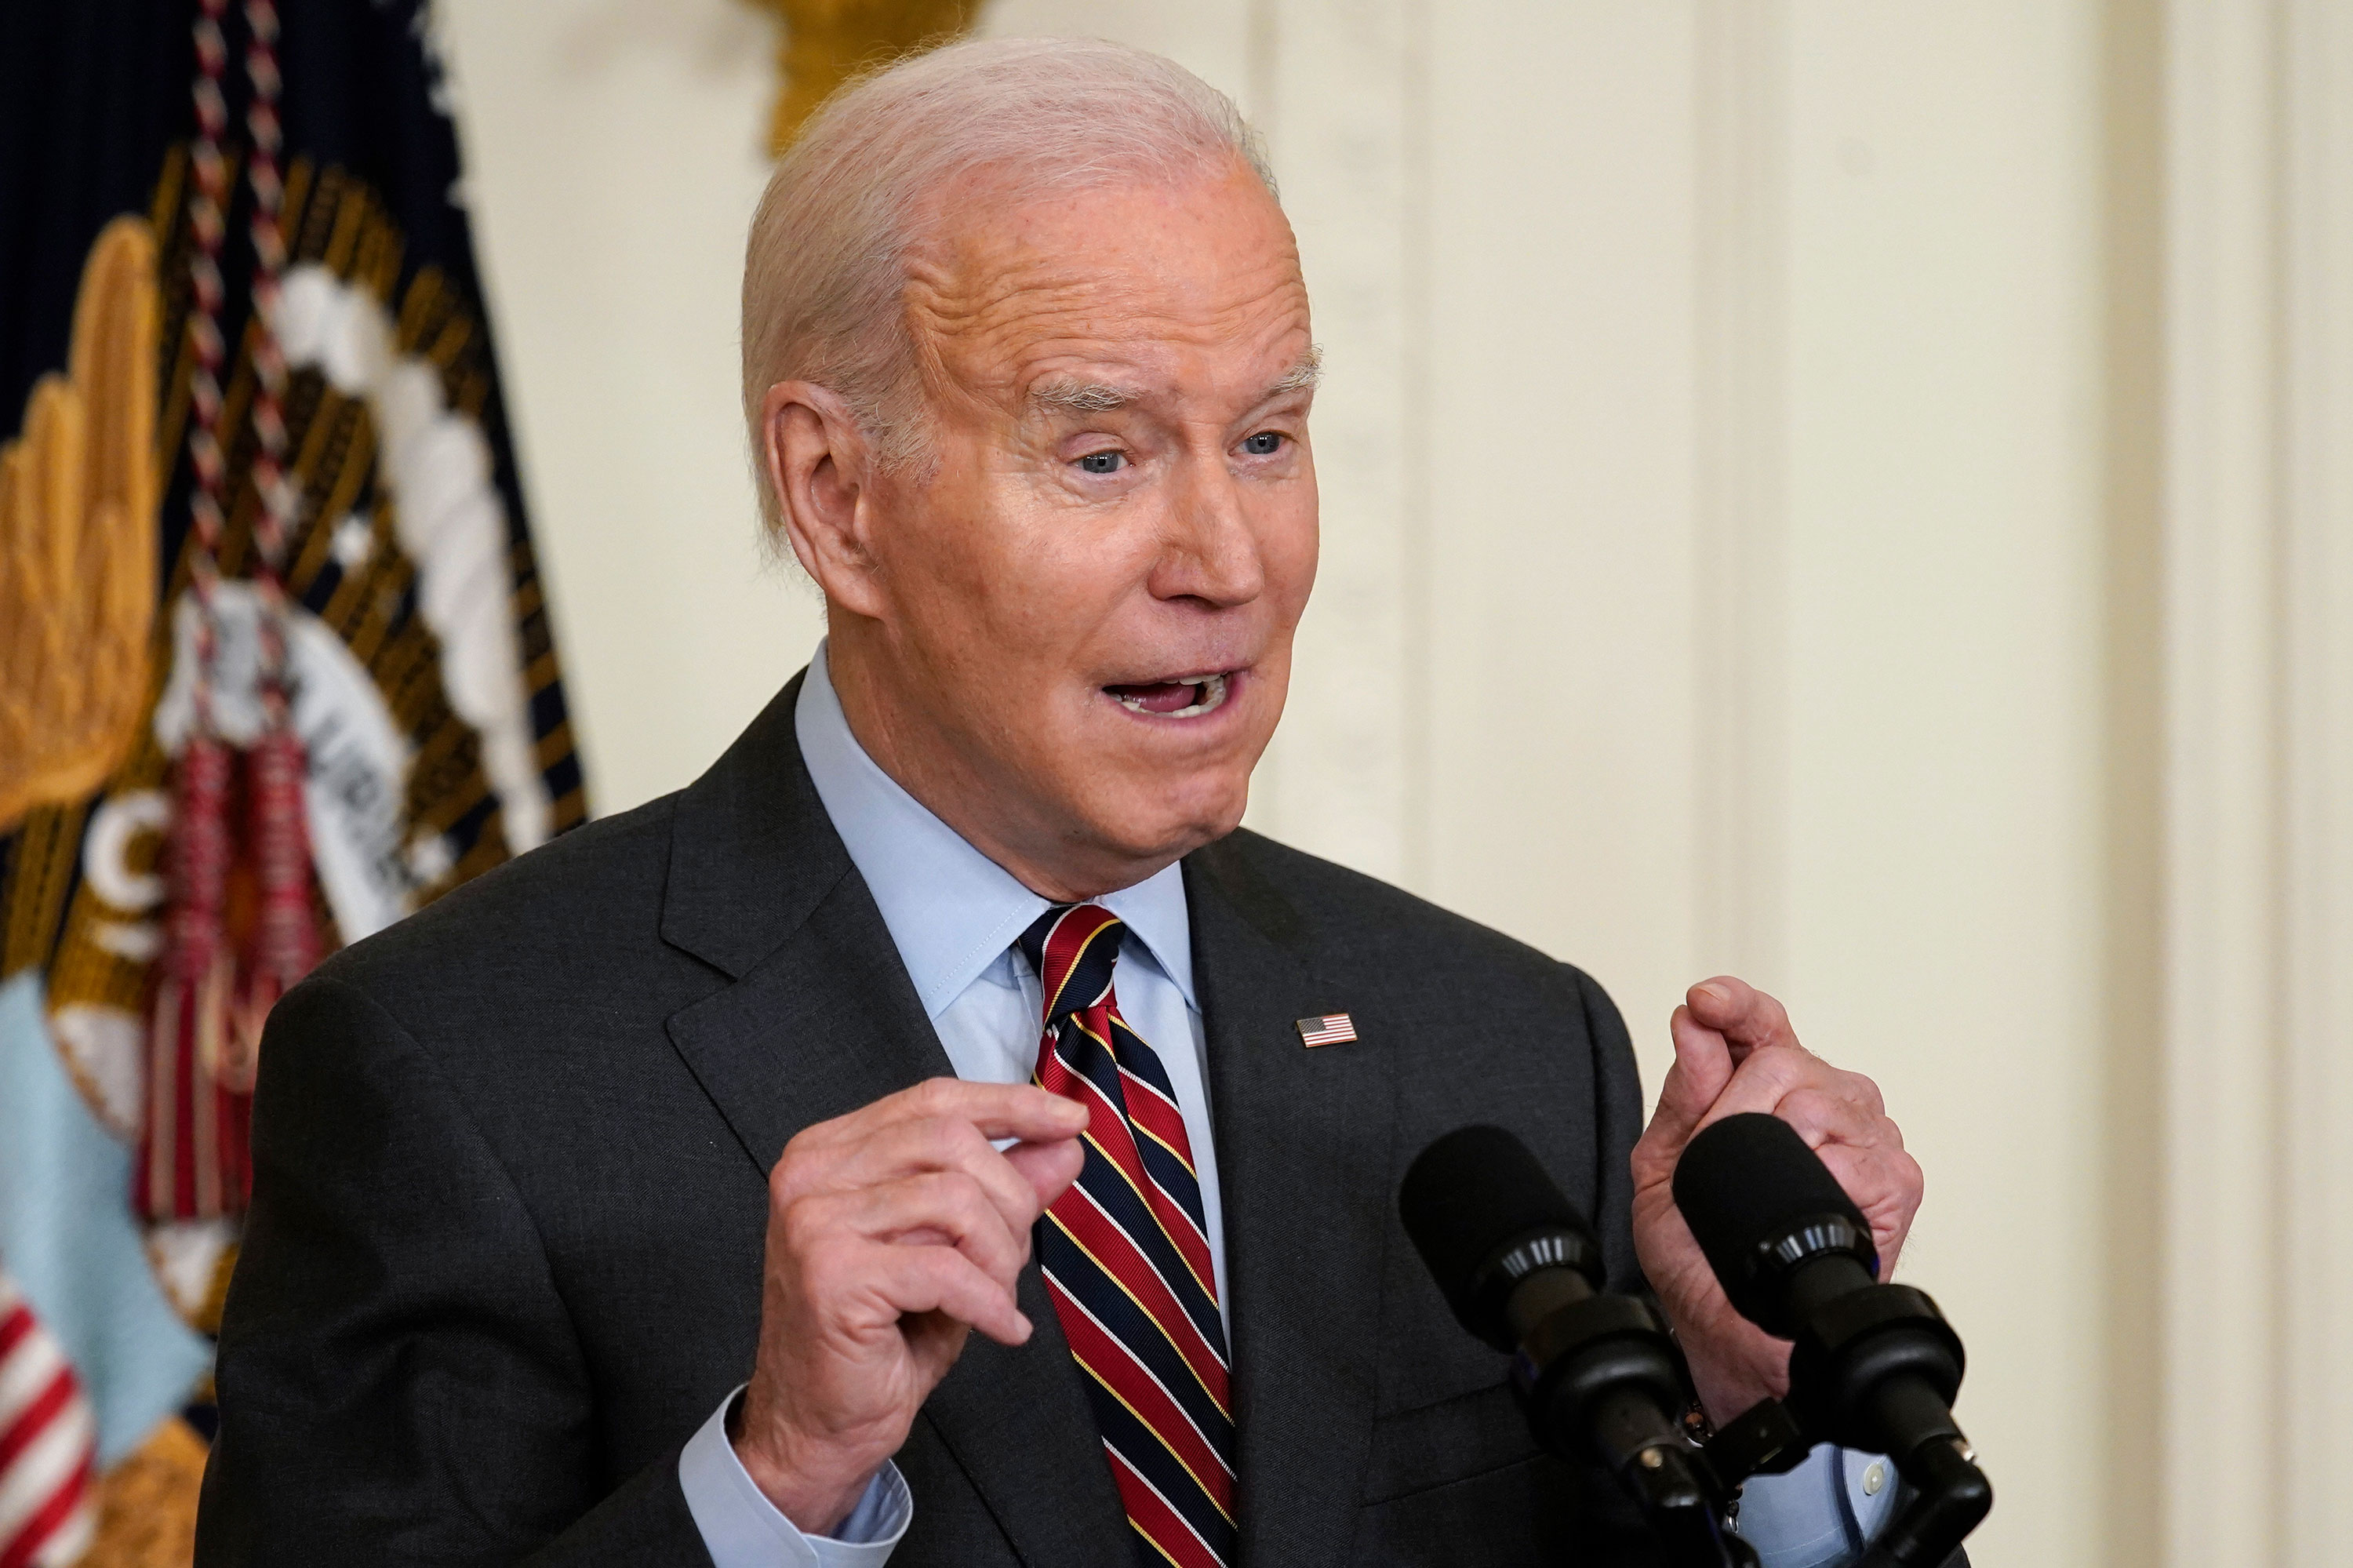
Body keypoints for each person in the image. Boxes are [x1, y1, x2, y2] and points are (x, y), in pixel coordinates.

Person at [195, 38, 1937, 1568]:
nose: (1226, 559)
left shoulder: (1503, 1046)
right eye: (1101, 454)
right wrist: (778, 1481)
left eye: (1266, 436)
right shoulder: (455, 1069)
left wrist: (1756, 1416)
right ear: (836, 496)